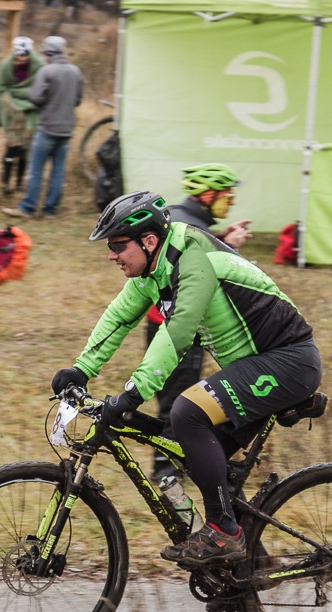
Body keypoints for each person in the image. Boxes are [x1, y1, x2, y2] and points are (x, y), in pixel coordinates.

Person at [52, 191, 321, 568]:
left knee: (186, 412)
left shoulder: (193, 258)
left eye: (117, 245)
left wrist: (133, 394)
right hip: (258, 365)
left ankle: (224, 533)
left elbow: (177, 332)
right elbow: (119, 317)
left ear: (148, 241)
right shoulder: (154, 267)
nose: (112, 255)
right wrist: (81, 369)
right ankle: (251, 568)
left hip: (288, 361)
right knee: (197, 456)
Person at [145, 162, 251, 481]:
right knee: (177, 402)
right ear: (207, 194)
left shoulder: (181, 218)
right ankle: (167, 472)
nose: (231, 201)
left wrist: (222, 237)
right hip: (179, 328)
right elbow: (203, 272)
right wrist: (231, 247)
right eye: (227, 194)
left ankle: (171, 467)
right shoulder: (191, 225)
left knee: (177, 399)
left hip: (167, 322)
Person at [2, 35, 82, 219]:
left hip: (47, 128)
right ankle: (50, 210)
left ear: (48, 53)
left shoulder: (46, 71)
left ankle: (27, 208)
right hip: (67, 130)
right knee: (58, 172)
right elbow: (78, 99)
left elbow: (35, 97)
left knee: (36, 170)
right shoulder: (75, 71)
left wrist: (46, 100)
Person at [0, 36, 45, 196]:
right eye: (17, 55)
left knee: (25, 148)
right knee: (12, 146)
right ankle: (6, 182)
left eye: (23, 55)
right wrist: (14, 104)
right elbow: (0, 89)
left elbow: (39, 89)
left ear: (29, 54)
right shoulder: (7, 66)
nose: (20, 58)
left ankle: (20, 183)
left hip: (30, 112)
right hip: (12, 111)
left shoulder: (39, 66)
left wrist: (27, 101)